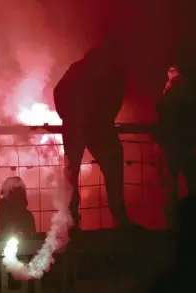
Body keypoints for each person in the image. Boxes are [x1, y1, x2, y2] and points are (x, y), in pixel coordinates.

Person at [53, 37, 137, 230]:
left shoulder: (80, 68)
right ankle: (119, 216)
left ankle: (72, 219)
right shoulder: (114, 71)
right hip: (97, 127)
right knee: (112, 164)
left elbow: (59, 91)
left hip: (78, 127)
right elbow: (116, 97)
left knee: (72, 172)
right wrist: (104, 119)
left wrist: (68, 118)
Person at [154, 65, 196, 229]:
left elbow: (161, 111)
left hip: (171, 145)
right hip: (186, 144)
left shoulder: (173, 89)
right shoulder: (191, 90)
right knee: (193, 184)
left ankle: (173, 227)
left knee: (170, 189)